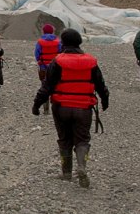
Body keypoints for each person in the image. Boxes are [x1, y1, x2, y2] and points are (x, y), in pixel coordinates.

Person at [32, 28, 109, 187]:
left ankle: (66, 173)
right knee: (82, 140)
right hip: (83, 108)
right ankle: (81, 166)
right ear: (79, 42)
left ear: (63, 43)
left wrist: (37, 104)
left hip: (61, 107)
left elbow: (47, 86)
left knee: (64, 139)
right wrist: (105, 100)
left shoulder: (58, 61)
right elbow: (100, 84)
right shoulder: (91, 61)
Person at [34, 23, 60, 114]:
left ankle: (46, 110)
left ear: (44, 31)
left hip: (43, 68)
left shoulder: (40, 42)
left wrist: (41, 62)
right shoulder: (58, 42)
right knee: (56, 87)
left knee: (45, 87)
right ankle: (56, 109)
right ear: (52, 31)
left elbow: (37, 54)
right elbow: (61, 53)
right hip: (56, 68)